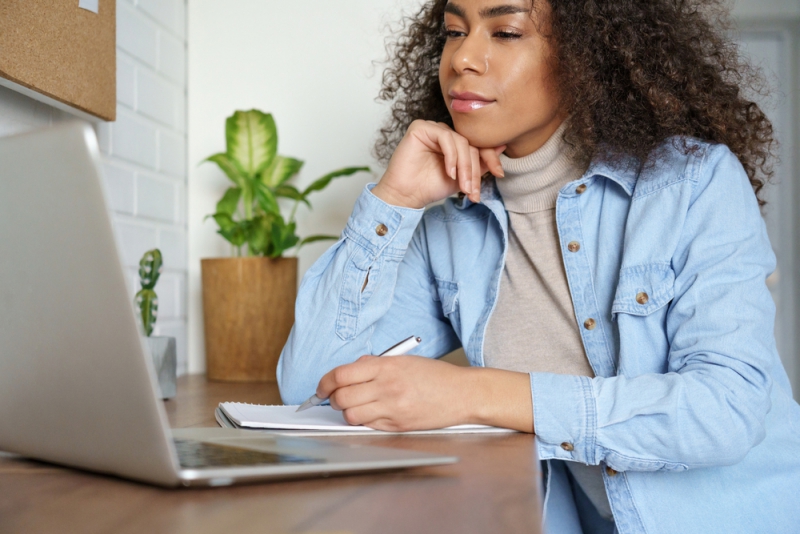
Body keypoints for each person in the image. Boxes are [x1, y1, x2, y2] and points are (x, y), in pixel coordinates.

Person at [277, 0, 800, 532]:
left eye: (505, 32)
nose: (463, 58)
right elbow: (309, 390)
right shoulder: (452, 226)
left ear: (585, 56)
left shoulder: (691, 183)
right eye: (455, 32)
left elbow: (727, 409)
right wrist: (395, 200)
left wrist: (473, 394)